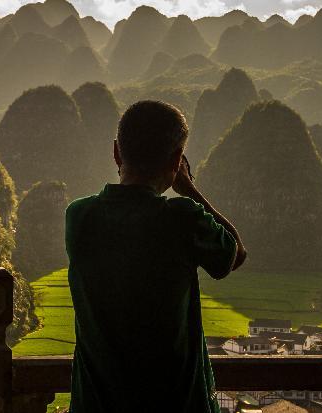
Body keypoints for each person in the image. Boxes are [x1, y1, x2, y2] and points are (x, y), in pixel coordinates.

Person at [65, 100, 247, 412]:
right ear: (177, 158)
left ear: (116, 152)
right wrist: (189, 189)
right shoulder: (182, 219)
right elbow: (234, 252)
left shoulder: (80, 216)